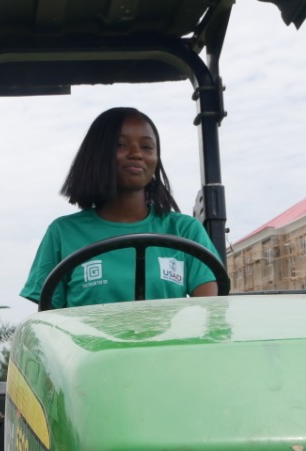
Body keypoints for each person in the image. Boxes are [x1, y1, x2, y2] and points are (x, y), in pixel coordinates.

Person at [20, 107, 220, 309]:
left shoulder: (185, 231)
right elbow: (49, 322)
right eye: (121, 145)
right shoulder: (63, 233)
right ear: (97, 154)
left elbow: (209, 314)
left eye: (147, 147)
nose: (136, 154)